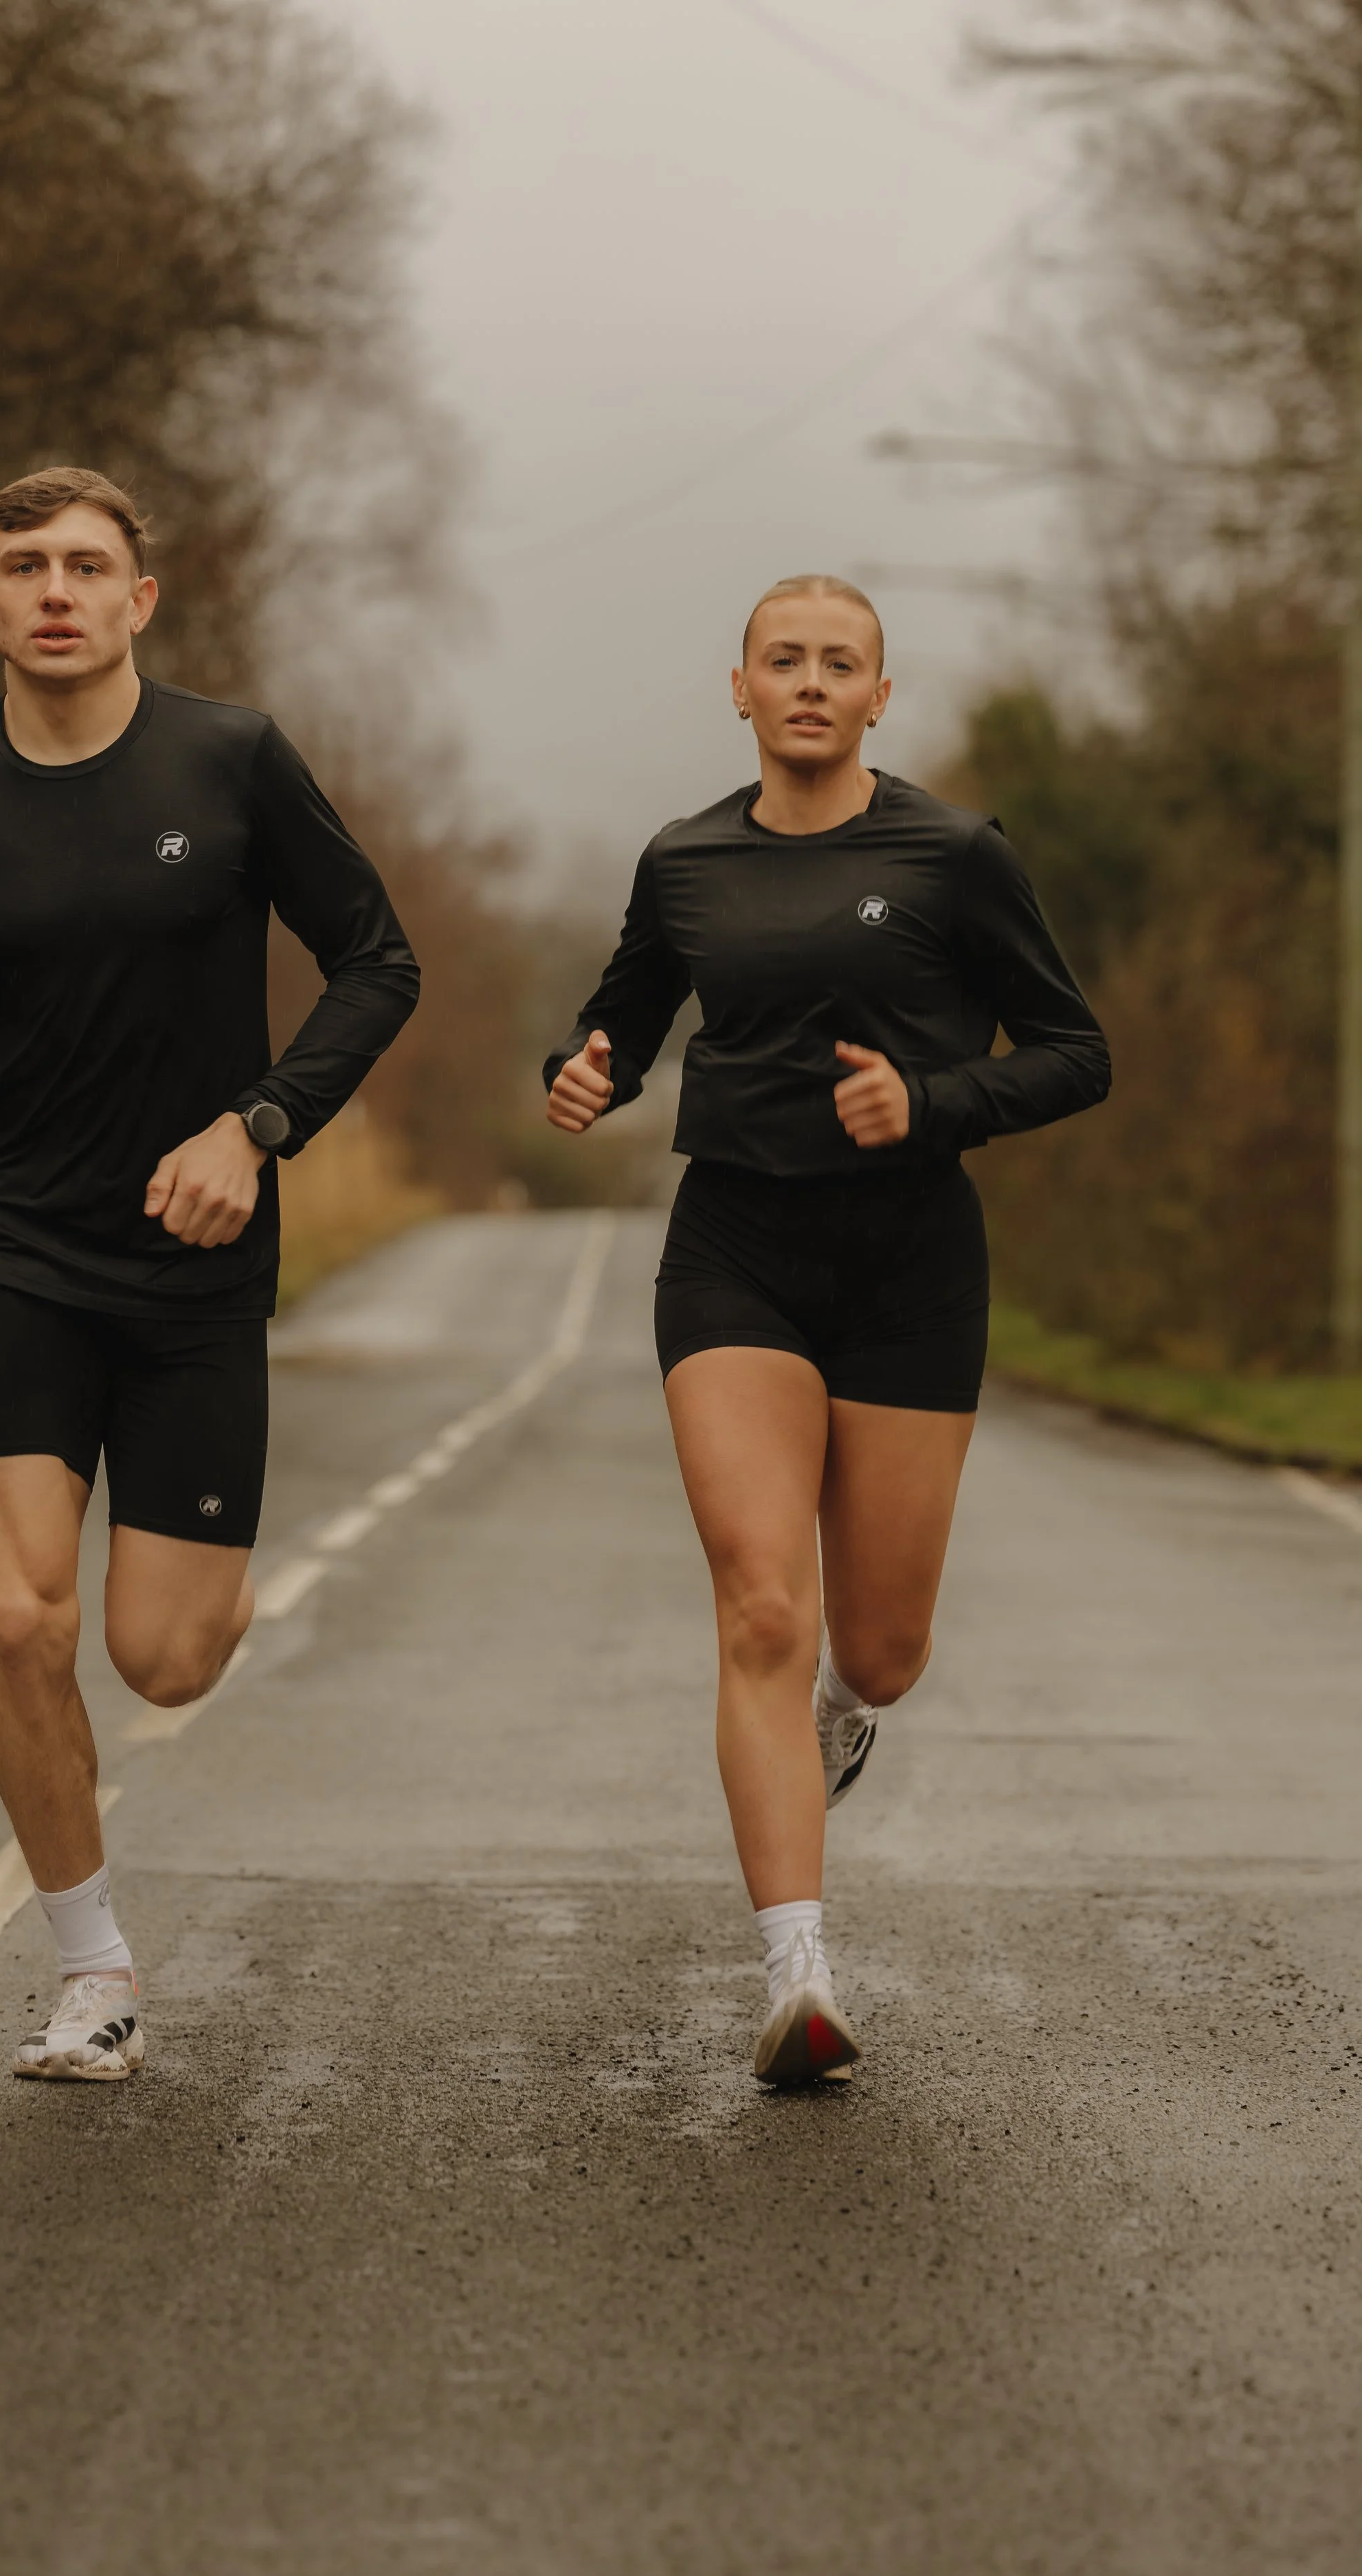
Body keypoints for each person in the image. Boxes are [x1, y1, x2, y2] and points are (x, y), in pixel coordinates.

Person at [0, 466, 418, 2082]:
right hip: (9, 1241)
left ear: (140, 599)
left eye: (87, 564)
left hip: (194, 1260)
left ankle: (201, 1567)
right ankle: (92, 1968)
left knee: (163, 1659)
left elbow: (376, 960)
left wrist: (256, 1126)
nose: (57, 588)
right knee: (16, 1614)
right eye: (24, 567)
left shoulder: (232, 759)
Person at [544, 574, 1109, 2086]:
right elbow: (619, 1016)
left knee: (877, 1644)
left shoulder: (949, 856)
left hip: (911, 1264)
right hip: (734, 1249)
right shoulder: (685, 861)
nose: (807, 681)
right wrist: (583, 1068)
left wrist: (926, 1103)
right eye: (780, 660)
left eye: (836, 662)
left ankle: (845, 1715)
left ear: (877, 693)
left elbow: (1074, 1054)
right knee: (758, 1607)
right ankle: (794, 1973)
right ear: (737, 688)